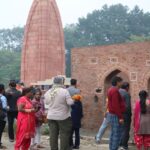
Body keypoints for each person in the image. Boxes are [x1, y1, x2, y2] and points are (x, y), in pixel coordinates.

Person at [44, 76, 74, 150]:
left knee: (53, 135)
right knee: (64, 135)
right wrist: (73, 100)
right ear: (62, 82)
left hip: (51, 116)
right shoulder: (64, 91)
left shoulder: (48, 92)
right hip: (63, 117)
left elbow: (46, 103)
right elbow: (70, 103)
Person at [107, 76, 126, 150]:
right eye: (121, 82)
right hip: (115, 115)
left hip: (112, 114)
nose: (121, 83)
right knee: (116, 135)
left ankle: (111, 148)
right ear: (117, 82)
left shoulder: (110, 89)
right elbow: (116, 105)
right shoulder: (115, 91)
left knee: (113, 134)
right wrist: (120, 117)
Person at [68, 79, 83, 149]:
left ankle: (70, 144)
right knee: (77, 132)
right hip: (77, 114)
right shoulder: (77, 91)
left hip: (69, 111)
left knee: (70, 131)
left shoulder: (66, 90)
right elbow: (81, 110)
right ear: (76, 83)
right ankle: (77, 145)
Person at [119, 82, 132, 150]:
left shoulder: (117, 92)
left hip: (117, 114)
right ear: (127, 87)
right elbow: (128, 106)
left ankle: (120, 143)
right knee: (126, 130)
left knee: (119, 129)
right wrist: (130, 114)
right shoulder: (126, 94)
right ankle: (124, 145)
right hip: (125, 114)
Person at [0, 84, 7, 149]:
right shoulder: (3, 97)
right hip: (1, 116)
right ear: (2, 90)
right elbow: (5, 107)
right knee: (0, 130)